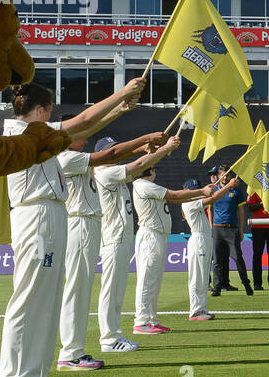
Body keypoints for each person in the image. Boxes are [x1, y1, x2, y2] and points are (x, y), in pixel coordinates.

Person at [0, 77, 143, 377]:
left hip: (50, 213)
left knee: (48, 299)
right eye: (49, 111)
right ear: (41, 110)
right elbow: (83, 122)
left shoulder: (40, 135)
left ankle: (37, 376)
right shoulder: (21, 132)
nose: (52, 118)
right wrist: (122, 93)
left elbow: (80, 131)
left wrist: (119, 109)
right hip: (33, 214)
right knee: (29, 297)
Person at [56, 131, 165, 371]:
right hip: (88, 226)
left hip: (96, 227)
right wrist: (157, 146)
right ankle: (94, 343)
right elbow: (120, 158)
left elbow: (122, 156)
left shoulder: (94, 166)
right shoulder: (96, 168)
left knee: (91, 289)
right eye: (79, 136)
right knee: (88, 288)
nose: (83, 141)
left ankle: (85, 346)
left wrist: (143, 148)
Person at [96, 133, 175, 354]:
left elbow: (138, 163)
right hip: (113, 237)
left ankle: (114, 335)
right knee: (111, 289)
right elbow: (138, 165)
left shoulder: (113, 173)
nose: (116, 152)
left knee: (118, 288)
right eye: (112, 150)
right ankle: (109, 338)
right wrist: (165, 148)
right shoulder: (106, 173)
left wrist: (145, 149)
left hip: (121, 238)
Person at [131, 160, 213, 335]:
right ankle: (141, 321)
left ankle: (151, 319)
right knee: (147, 280)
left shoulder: (145, 185)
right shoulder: (144, 185)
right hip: (150, 234)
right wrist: (202, 191)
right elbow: (175, 195)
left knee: (154, 280)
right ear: (151, 170)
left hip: (157, 235)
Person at [182, 174, 240, 321]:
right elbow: (212, 199)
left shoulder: (197, 202)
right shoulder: (188, 203)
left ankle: (201, 309)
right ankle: (195, 311)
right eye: (193, 190)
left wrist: (217, 186)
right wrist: (228, 186)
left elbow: (212, 196)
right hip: (198, 240)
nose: (197, 193)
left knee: (202, 278)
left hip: (205, 239)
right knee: (197, 277)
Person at [209, 164, 254, 298]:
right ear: (218, 176)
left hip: (231, 229)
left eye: (227, 174)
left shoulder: (237, 191)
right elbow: (209, 209)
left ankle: (246, 284)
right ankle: (217, 288)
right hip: (217, 229)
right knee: (217, 261)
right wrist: (212, 226)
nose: (225, 177)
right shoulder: (214, 189)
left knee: (238, 258)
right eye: (222, 174)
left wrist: (241, 230)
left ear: (230, 176)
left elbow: (241, 212)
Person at [245, 187, 269, 291]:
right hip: (258, 226)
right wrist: (264, 203)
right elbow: (250, 207)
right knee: (257, 256)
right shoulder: (254, 187)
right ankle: (257, 284)